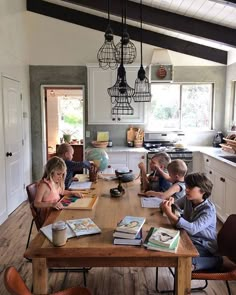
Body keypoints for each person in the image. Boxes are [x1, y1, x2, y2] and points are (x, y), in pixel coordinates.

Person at [161, 172, 223, 271]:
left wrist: (169, 213)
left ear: (203, 191)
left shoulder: (208, 210)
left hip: (204, 245)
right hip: (189, 239)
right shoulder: (188, 199)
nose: (186, 190)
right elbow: (176, 206)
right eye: (186, 186)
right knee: (167, 249)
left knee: (185, 262)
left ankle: (217, 261)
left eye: (190, 188)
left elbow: (193, 229)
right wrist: (170, 203)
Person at [34, 156, 82, 226]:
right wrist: (52, 204)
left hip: (56, 212)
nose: (61, 177)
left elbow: (61, 192)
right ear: (51, 172)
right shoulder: (44, 185)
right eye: (58, 174)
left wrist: (73, 193)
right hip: (48, 217)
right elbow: (36, 203)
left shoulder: (55, 182)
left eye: (63, 174)